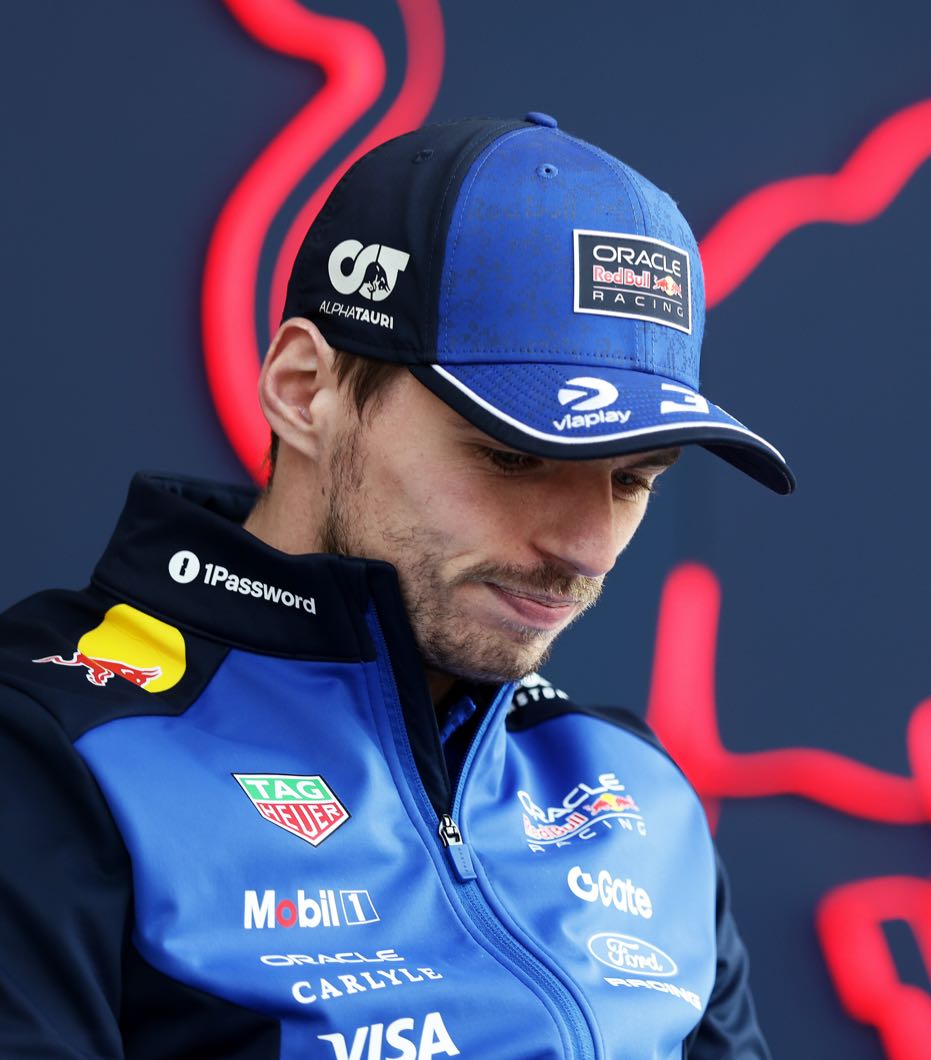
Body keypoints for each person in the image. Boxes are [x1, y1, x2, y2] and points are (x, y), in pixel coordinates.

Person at [0, 113, 790, 1058]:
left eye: (632, 480)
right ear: (306, 389)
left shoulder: (636, 792)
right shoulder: (58, 745)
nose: (588, 548)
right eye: (512, 457)